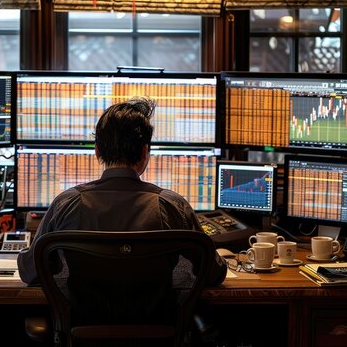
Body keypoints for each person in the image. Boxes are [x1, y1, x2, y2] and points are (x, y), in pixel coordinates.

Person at [17, 96, 227, 285]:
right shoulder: (173, 205)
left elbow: (30, 272)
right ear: (145, 152)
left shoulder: (66, 203)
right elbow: (213, 274)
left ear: (97, 150)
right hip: (158, 326)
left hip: (82, 325)